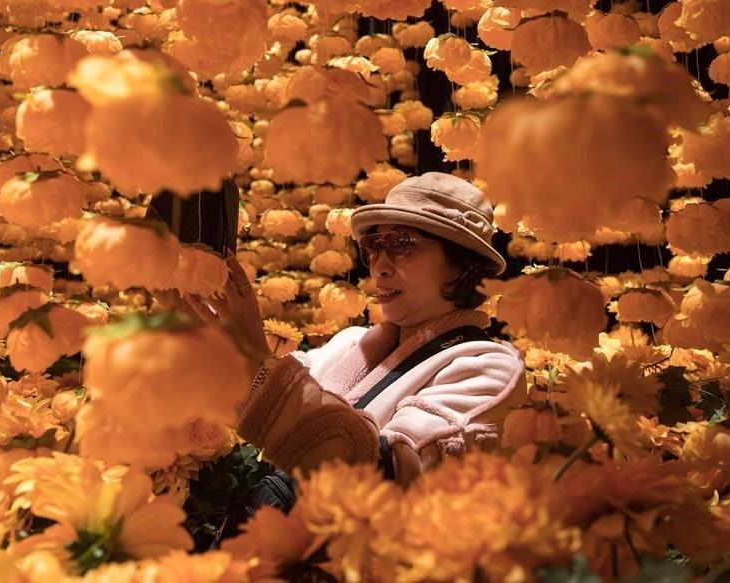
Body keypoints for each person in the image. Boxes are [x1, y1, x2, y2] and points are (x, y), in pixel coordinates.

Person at [175, 172, 528, 521]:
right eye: (373, 247)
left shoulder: (489, 364)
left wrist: (253, 356)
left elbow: (394, 475)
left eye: (402, 245)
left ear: (463, 266)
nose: (379, 267)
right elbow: (248, 404)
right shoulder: (350, 343)